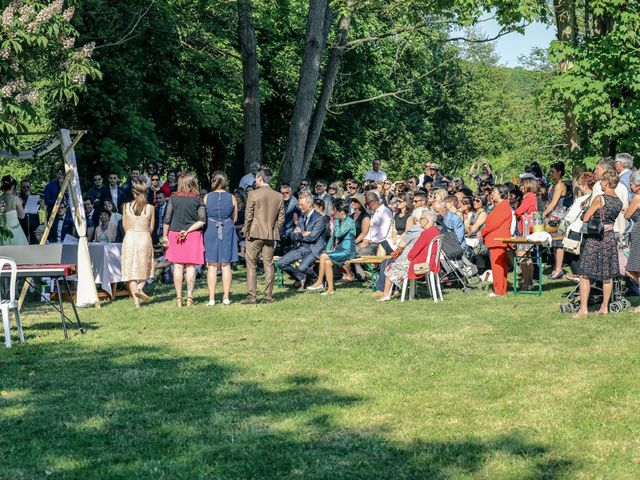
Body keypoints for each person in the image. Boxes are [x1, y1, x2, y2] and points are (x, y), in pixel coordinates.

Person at [573, 170, 623, 317]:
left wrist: (586, 212)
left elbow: (586, 218)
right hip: (609, 238)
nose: (600, 183)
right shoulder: (619, 202)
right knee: (607, 275)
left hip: (596, 239)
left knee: (585, 273)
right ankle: (604, 307)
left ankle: (583, 309)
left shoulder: (600, 199)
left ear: (606, 182)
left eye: (601, 181)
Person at [161, 172, 206, 307]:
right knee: (191, 266)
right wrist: (187, 231)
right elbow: (202, 220)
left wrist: (165, 236)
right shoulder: (198, 199)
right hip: (193, 235)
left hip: (174, 234)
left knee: (178, 266)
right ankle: (190, 298)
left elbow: (167, 219)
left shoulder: (173, 198)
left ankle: (179, 298)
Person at [242, 167, 284, 304]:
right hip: (270, 234)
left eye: (256, 178)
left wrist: (246, 231)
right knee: (269, 265)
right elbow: (281, 219)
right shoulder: (278, 196)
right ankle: (268, 296)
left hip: (254, 234)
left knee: (251, 265)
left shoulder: (253, 194)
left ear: (260, 178)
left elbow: (248, 216)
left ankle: (252, 296)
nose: (255, 180)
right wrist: (273, 229)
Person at [378, 209, 440, 301]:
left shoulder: (426, 233)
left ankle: (386, 294)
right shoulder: (435, 231)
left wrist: (409, 258)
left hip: (420, 264)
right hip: (432, 262)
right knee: (398, 266)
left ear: (427, 220)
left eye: (421, 219)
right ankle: (404, 293)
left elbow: (414, 252)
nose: (420, 221)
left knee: (391, 267)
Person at [276, 191, 326, 291]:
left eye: (301, 204)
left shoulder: (319, 218)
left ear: (309, 204)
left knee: (302, 267)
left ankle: (317, 279)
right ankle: (301, 277)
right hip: (301, 248)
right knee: (280, 263)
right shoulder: (301, 218)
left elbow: (313, 237)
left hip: (313, 249)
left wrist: (299, 234)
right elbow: (292, 236)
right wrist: (302, 233)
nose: (299, 207)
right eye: (298, 204)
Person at [306, 199, 356, 295]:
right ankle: (330, 289)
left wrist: (336, 221)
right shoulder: (341, 220)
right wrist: (328, 249)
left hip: (348, 251)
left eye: (334, 210)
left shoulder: (349, 221)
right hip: (340, 250)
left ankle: (319, 282)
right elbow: (332, 238)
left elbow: (337, 234)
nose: (333, 213)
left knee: (323, 256)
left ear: (341, 212)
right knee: (328, 262)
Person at [204, 171, 238, 306]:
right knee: (226, 265)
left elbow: (203, 215)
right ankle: (226, 297)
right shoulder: (232, 197)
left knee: (212, 265)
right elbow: (234, 218)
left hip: (211, 229)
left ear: (214, 181)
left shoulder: (206, 197)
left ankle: (211, 298)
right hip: (227, 229)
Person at [121, 181, 154, 307]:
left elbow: (124, 226)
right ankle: (140, 288)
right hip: (144, 237)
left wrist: (131, 232)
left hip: (130, 237)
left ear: (133, 192)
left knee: (130, 269)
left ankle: (136, 301)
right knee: (145, 267)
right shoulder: (150, 208)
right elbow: (151, 228)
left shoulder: (125, 207)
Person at [480, 185, 513, 297]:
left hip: (497, 240)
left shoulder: (503, 206)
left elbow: (492, 224)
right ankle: (501, 289)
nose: (492, 194)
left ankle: (498, 291)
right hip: (498, 240)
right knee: (500, 265)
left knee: (497, 266)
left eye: (494, 192)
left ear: (501, 194)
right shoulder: (502, 206)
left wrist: (482, 232)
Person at [543, 162, 569, 279]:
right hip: (552, 216)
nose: (551, 174)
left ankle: (559, 269)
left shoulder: (560, 185)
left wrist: (543, 214)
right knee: (553, 243)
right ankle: (555, 267)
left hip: (558, 215)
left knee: (558, 243)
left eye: (553, 172)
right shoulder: (552, 186)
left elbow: (554, 203)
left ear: (559, 173)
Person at [357, 191, 392, 257]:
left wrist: (369, 241)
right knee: (354, 249)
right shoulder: (375, 212)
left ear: (373, 201)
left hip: (381, 244)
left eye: (367, 204)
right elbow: (371, 230)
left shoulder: (385, 212)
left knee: (362, 251)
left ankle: (371, 267)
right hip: (372, 242)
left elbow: (383, 234)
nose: (367, 207)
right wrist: (365, 239)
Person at [0, 175, 28, 245]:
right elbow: (22, 216)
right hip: (15, 233)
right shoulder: (15, 199)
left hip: (2, 233)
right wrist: (20, 205)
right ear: (13, 186)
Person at [279, 183, 300, 252]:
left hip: (291, 230)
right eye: (283, 193)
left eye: (287, 192)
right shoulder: (279, 201)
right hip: (280, 228)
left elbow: (296, 218)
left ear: (290, 192)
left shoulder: (295, 202)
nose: (285, 194)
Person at [18, 178, 39, 244]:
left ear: (30, 187)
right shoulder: (18, 197)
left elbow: (39, 207)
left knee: (34, 243)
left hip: (33, 223)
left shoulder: (34, 195)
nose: (26, 189)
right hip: (22, 224)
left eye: (27, 187)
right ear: (21, 188)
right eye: (23, 187)